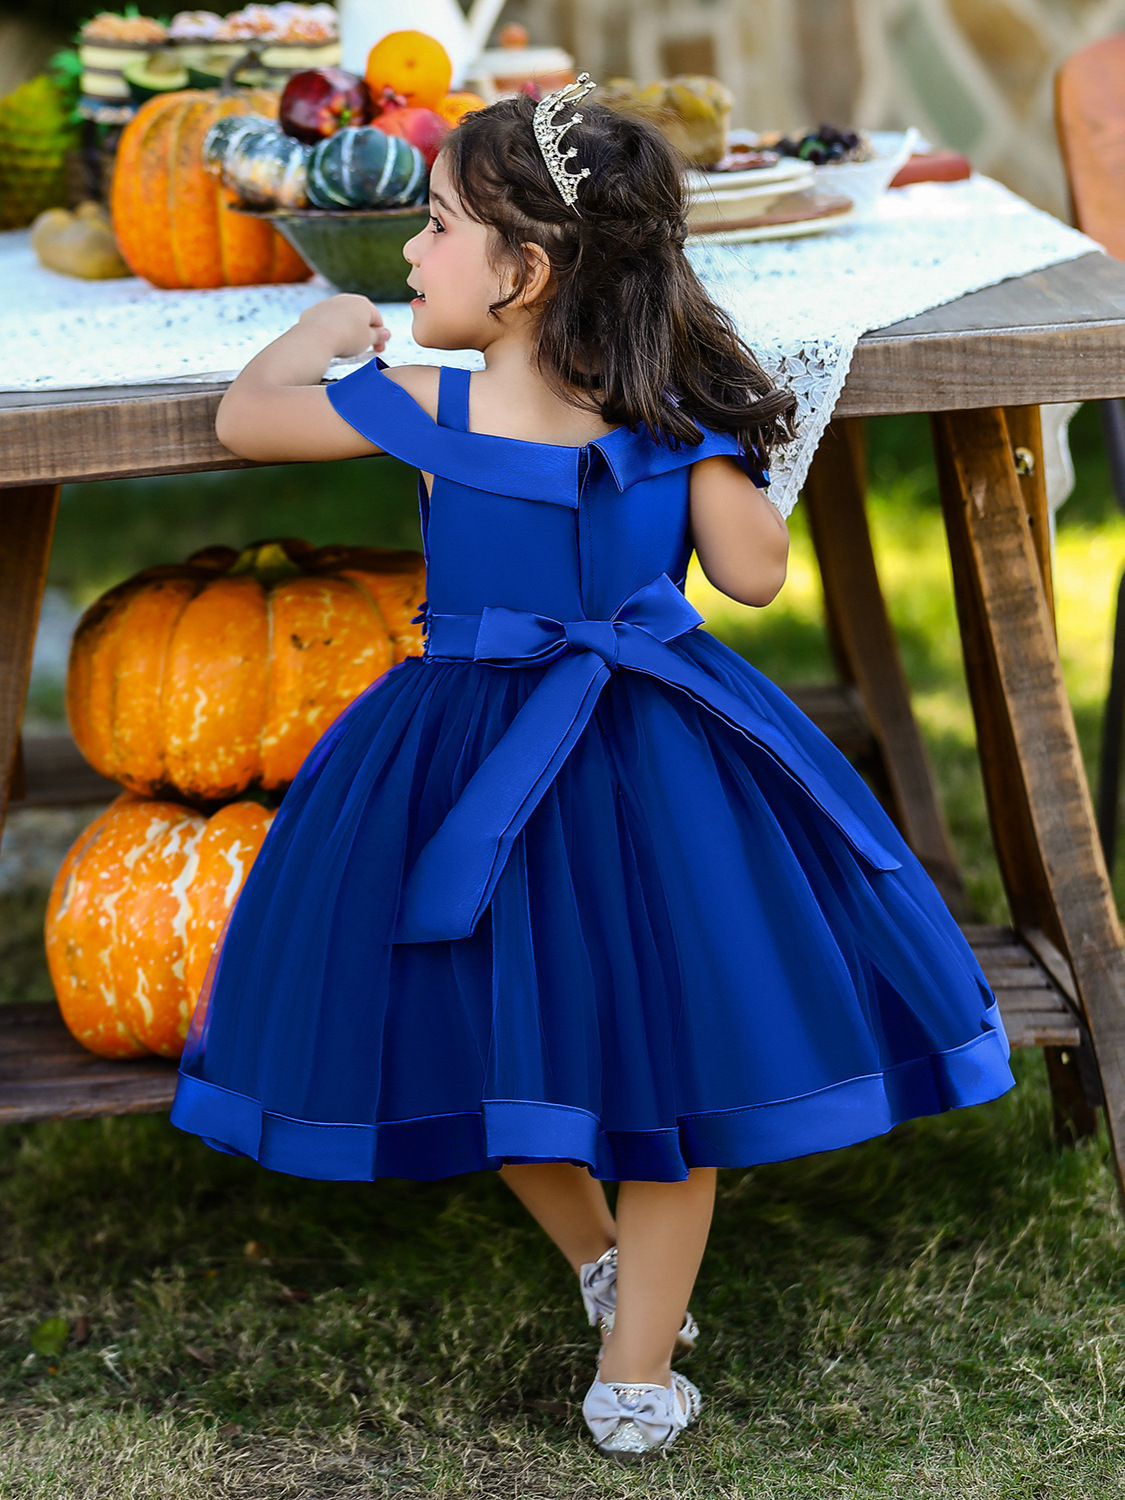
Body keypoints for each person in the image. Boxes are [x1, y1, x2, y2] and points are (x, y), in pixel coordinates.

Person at [170, 76, 1016, 1462]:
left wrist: (316, 331)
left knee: (496, 1040)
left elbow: (249, 421)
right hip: (650, 755)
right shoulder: (665, 421)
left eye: (435, 227)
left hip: (483, 753)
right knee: (661, 1072)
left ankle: (621, 1322)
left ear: (526, 271)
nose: (409, 254)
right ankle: (627, 1320)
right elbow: (751, 577)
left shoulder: (432, 401)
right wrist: (721, 446)